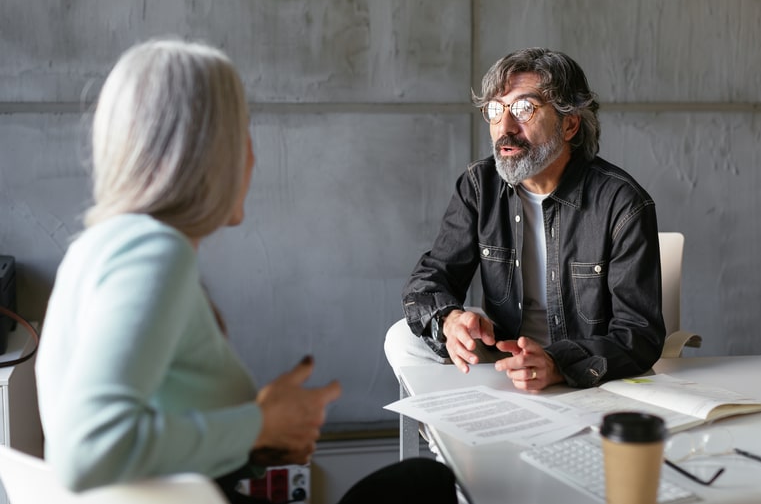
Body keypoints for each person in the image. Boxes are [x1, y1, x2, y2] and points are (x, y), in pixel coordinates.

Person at [35, 39, 457, 504]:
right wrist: (258, 423)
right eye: (243, 133)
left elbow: (145, 450)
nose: (253, 157)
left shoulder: (101, 245)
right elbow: (86, 454)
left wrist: (258, 441)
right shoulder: (153, 252)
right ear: (203, 149)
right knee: (426, 483)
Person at [384, 47, 665, 392]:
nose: (505, 127)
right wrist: (450, 320)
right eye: (495, 110)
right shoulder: (478, 186)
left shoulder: (622, 203)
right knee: (402, 337)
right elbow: (429, 280)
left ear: (570, 124)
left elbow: (639, 333)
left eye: (523, 109)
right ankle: (451, 437)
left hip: (584, 370)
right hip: (505, 357)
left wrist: (557, 362)